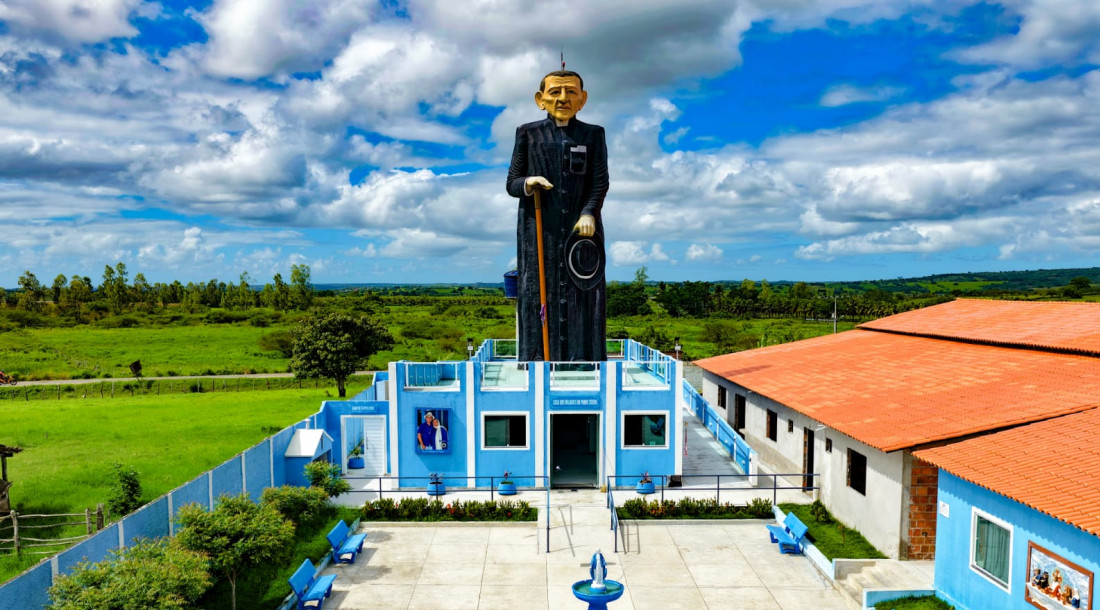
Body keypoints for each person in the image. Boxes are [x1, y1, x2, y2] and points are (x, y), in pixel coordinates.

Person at [507, 69, 609, 362]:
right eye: (555, 92)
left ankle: (585, 362)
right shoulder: (528, 133)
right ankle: (536, 362)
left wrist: (588, 212)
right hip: (538, 232)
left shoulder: (593, 134)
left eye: (571, 92)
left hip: (582, 233)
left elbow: (599, 181)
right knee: (537, 292)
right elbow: (512, 182)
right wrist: (529, 183)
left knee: (584, 296)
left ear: (582, 99)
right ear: (541, 100)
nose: (563, 98)